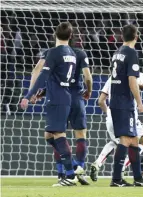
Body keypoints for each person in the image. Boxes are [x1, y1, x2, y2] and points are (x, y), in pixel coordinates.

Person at [20, 22, 79, 186]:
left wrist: (28, 95)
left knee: (59, 135)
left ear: (55, 34)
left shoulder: (53, 52)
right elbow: (61, 78)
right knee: (49, 135)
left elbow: (43, 76)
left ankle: (70, 176)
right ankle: (72, 165)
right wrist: (43, 93)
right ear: (71, 36)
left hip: (57, 99)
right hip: (63, 96)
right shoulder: (72, 53)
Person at [29, 45, 93, 185]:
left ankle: (62, 173)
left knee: (55, 136)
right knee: (81, 135)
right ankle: (79, 169)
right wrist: (89, 90)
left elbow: (38, 71)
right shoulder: (80, 53)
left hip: (59, 97)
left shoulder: (52, 52)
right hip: (76, 97)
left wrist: (33, 92)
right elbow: (88, 76)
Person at [108, 24, 143, 187]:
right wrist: (141, 103)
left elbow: (120, 78)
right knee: (126, 140)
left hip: (116, 100)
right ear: (137, 36)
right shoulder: (131, 52)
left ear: (122, 36)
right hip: (124, 102)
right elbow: (131, 80)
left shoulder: (118, 52)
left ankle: (138, 179)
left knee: (134, 140)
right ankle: (116, 179)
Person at [90, 72, 143, 182]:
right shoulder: (138, 75)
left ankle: (98, 163)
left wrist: (109, 114)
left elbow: (100, 101)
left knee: (121, 142)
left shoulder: (112, 77)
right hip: (127, 115)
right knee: (133, 142)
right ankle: (122, 169)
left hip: (112, 115)